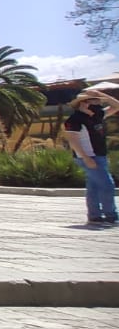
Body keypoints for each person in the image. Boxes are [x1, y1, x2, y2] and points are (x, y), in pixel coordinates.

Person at [66, 86, 119, 226]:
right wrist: (85, 157)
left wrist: (101, 94)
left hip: (99, 156)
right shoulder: (75, 119)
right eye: (95, 101)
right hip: (89, 157)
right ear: (83, 103)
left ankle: (94, 216)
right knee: (108, 185)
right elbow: (73, 140)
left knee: (94, 187)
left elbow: (117, 106)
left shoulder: (97, 115)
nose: (99, 104)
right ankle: (111, 215)